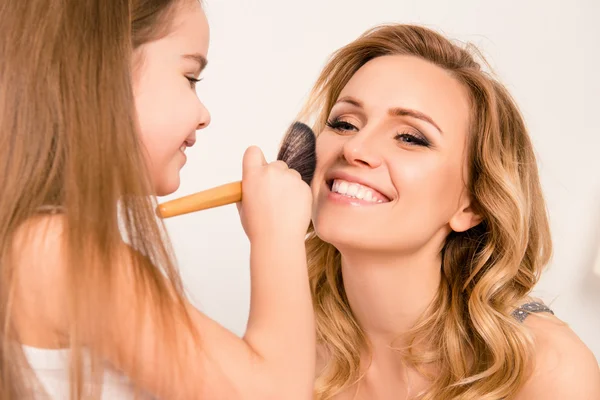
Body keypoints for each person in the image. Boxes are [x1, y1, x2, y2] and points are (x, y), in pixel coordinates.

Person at [0, 0, 314, 398]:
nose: (204, 115)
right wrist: (278, 238)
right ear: (101, 73)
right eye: (190, 78)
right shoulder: (61, 252)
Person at [300, 23, 600, 399]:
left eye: (410, 137)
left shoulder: (549, 370)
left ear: (471, 204)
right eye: (344, 123)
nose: (355, 147)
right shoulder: (293, 334)